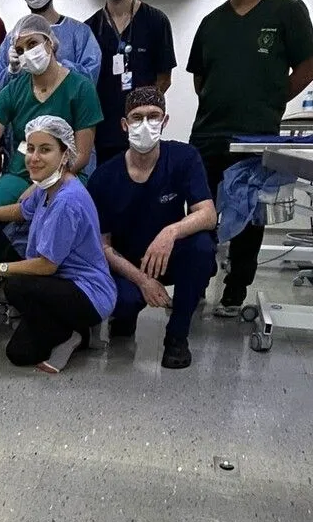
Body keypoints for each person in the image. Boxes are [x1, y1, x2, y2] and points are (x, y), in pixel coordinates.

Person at [187, 0, 313, 316]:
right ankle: (196, 280)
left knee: (248, 216)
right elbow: (200, 79)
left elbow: (307, 69)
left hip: (255, 136)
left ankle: (234, 291)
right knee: (201, 214)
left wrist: (268, 103)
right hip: (209, 134)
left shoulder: (287, 9)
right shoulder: (212, 22)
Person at [0, 14, 103, 264]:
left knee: (55, 232)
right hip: (20, 173)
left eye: (33, 44)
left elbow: (82, 155)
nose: (27, 52)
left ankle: (50, 283)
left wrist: (42, 186)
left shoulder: (80, 88)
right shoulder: (14, 90)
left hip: (66, 176)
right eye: (20, 49)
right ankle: (9, 272)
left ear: (50, 43)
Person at [0, 116, 115, 373]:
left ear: (65, 154)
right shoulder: (48, 185)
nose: (34, 157)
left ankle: (75, 333)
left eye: (45, 149)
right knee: (19, 352)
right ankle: (68, 328)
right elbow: (22, 211)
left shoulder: (66, 201)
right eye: (30, 148)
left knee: (15, 284)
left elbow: (47, 266)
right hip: (61, 284)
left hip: (88, 293)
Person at [87, 88, 217, 369]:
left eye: (153, 116)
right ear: (124, 125)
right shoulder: (104, 177)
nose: (145, 125)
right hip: (127, 263)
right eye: (137, 118)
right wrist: (142, 280)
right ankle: (127, 314)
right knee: (123, 305)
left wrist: (169, 232)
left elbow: (208, 214)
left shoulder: (184, 158)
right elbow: (103, 244)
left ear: (165, 121)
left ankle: (177, 336)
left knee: (202, 247)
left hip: (166, 255)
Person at [85, 0, 177, 165]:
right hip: (104, 133)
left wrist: (141, 113)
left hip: (142, 131)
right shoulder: (89, 28)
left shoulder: (156, 21)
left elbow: (164, 79)